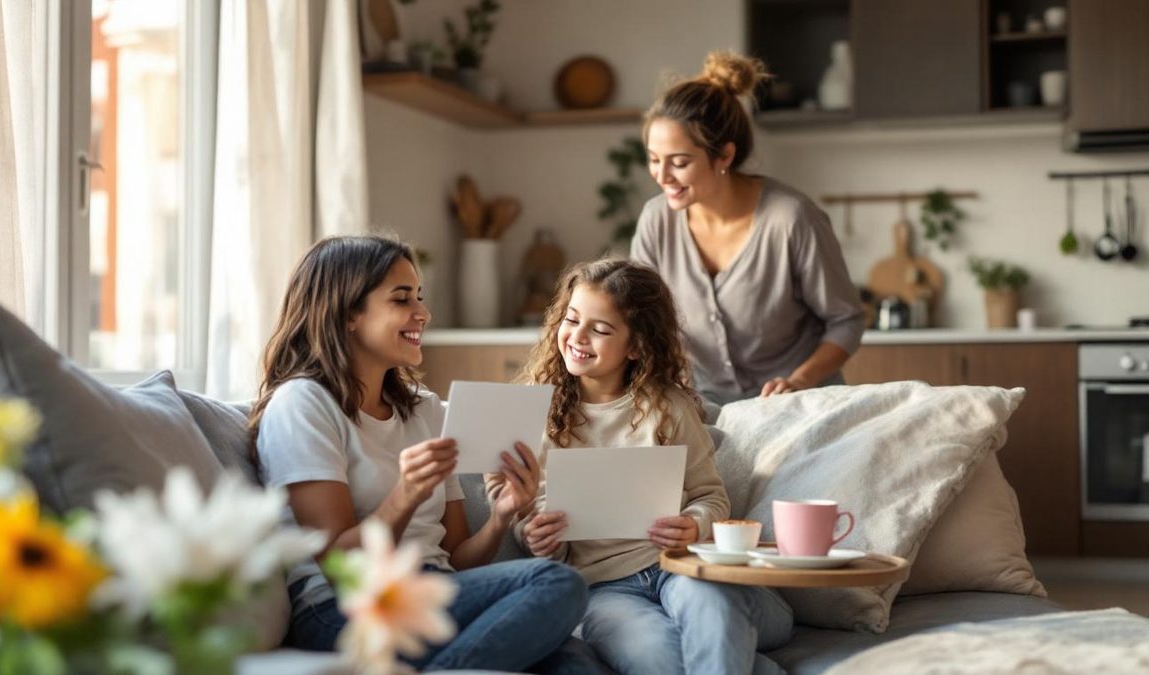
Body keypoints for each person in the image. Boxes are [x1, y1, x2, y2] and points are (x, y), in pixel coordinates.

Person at [249, 235, 591, 672]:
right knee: (558, 583)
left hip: (433, 595)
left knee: (575, 660)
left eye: (420, 297)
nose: (423, 313)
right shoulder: (303, 405)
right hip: (346, 608)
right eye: (402, 298)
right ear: (348, 313)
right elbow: (337, 567)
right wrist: (405, 494)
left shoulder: (422, 408)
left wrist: (501, 515)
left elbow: (453, 556)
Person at [489, 259, 793, 675]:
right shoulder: (529, 412)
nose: (577, 336)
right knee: (658, 658)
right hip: (604, 589)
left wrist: (694, 523)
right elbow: (520, 512)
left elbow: (711, 495)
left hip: (678, 567)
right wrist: (536, 536)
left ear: (635, 346)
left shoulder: (668, 407)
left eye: (599, 329)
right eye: (571, 319)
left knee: (716, 608)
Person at [631, 51, 865, 404]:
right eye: (653, 159)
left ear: (724, 156)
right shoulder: (656, 220)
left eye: (679, 162)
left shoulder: (791, 219)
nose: (662, 177)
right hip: (707, 411)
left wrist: (798, 382)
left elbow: (846, 321)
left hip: (801, 407)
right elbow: (639, 317)